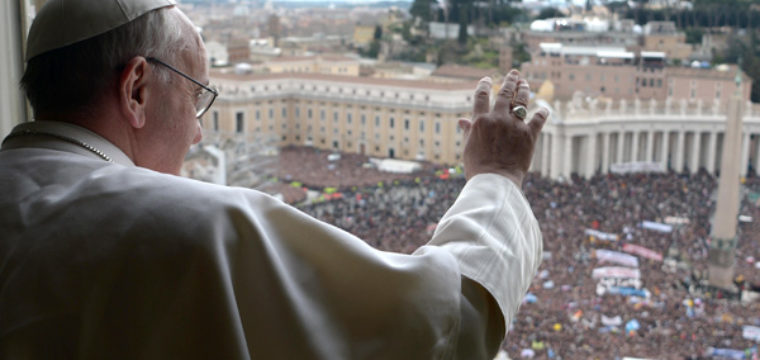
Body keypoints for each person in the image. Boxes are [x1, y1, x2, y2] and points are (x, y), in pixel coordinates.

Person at [0, 0, 549, 358]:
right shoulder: (199, 227)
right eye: (197, 96)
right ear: (137, 88)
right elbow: (443, 325)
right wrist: (497, 177)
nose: (196, 133)